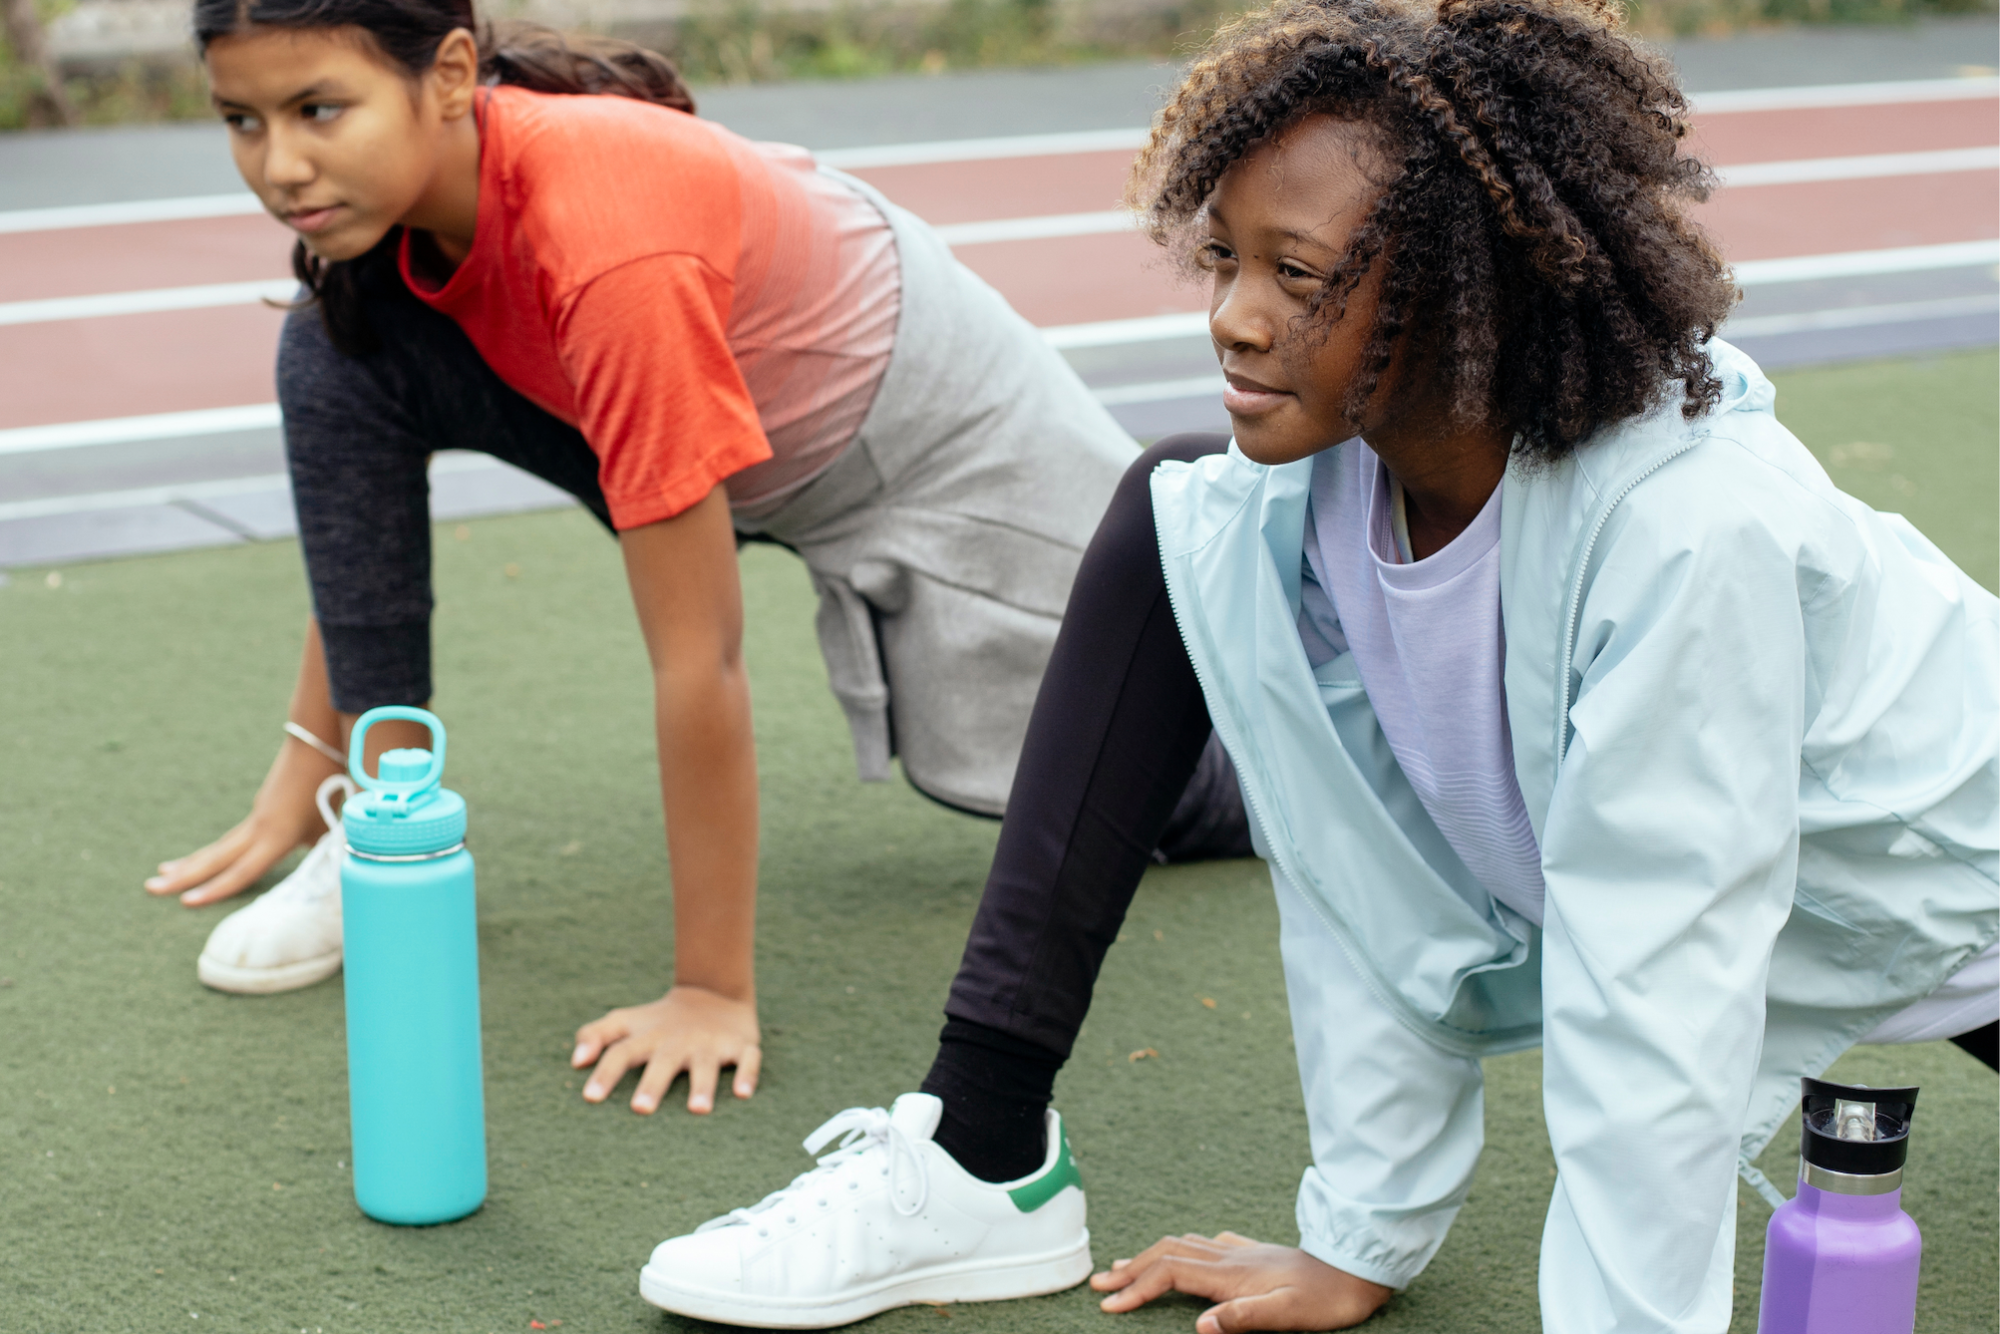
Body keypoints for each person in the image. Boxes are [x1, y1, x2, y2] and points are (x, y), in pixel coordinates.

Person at [633, 0, 2000, 1327]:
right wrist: (1360, 1236)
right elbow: (1365, 887)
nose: (1232, 316)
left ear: (1480, 289)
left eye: (1297, 273)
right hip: (1818, 926)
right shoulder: (1297, 509)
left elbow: (1656, 1005)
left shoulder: (1687, 534)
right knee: (1173, 494)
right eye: (1223, 259)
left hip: (1966, 899)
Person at [145, 0, 1248, 1117]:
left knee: (1147, 764)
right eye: (242, 119)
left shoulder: (609, 248)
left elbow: (699, 658)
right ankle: (374, 821)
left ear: (449, 75)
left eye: (319, 109)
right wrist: (304, 772)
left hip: (919, 431)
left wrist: (709, 991)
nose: (279, 164)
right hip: (687, 401)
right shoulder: (387, 223)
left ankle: (1316, 771)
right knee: (336, 350)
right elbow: (356, 540)